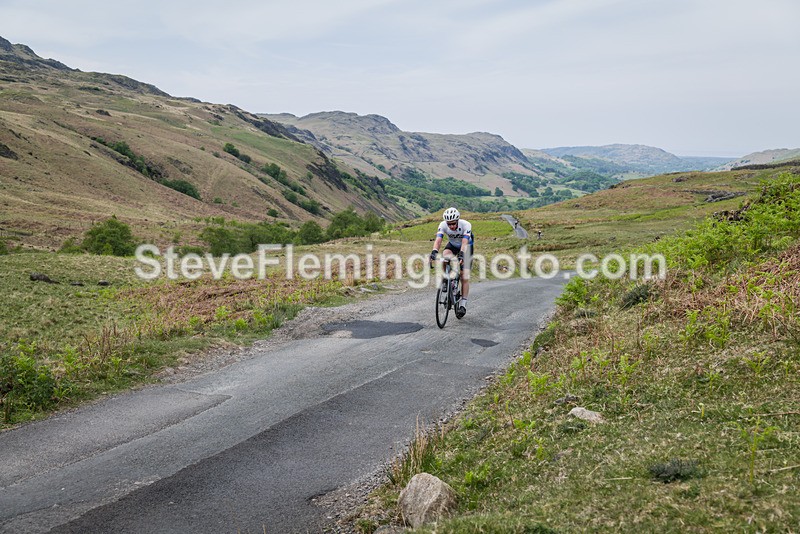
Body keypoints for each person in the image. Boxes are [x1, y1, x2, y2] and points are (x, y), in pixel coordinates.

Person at [429, 207, 473, 318]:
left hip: (466, 247)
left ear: (457, 220)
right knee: (444, 257)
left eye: (453, 223)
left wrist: (462, 254)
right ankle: (446, 280)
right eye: (449, 224)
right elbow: (438, 240)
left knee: (464, 276)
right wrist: (434, 251)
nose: (451, 226)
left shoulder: (466, 225)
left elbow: (464, 242)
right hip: (452, 245)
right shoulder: (443, 225)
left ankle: (463, 304)